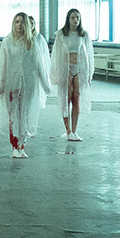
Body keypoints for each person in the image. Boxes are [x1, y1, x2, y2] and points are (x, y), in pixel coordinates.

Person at [0, 12, 53, 158]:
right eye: (17, 22)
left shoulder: (32, 42)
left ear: (27, 24)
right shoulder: (8, 41)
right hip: (12, 83)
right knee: (13, 115)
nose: (19, 25)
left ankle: (22, 145)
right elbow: (3, 64)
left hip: (29, 84)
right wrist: (0, 83)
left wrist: (45, 84)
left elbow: (39, 65)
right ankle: (14, 145)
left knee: (25, 115)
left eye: (22, 22)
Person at [51, 8, 94, 141]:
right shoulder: (61, 34)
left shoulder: (84, 35)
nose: (76, 20)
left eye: (78, 18)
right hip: (65, 69)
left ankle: (74, 131)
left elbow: (89, 55)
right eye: (73, 17)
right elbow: (56, 54)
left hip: (79, 69)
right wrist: (56, 73)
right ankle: (68, 130)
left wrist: (89, 74)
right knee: (66, 99)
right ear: (68, 19)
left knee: (76, 99)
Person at [25, 14, 51, 138]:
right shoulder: (21, 39)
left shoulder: (39, 38)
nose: (30, 25)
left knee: (32, 101)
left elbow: (44, 58)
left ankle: (30, 125)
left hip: (35, 73)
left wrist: (44, 76)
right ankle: (23, 125)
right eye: (28, 23)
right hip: (23, 73)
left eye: (32, 23)